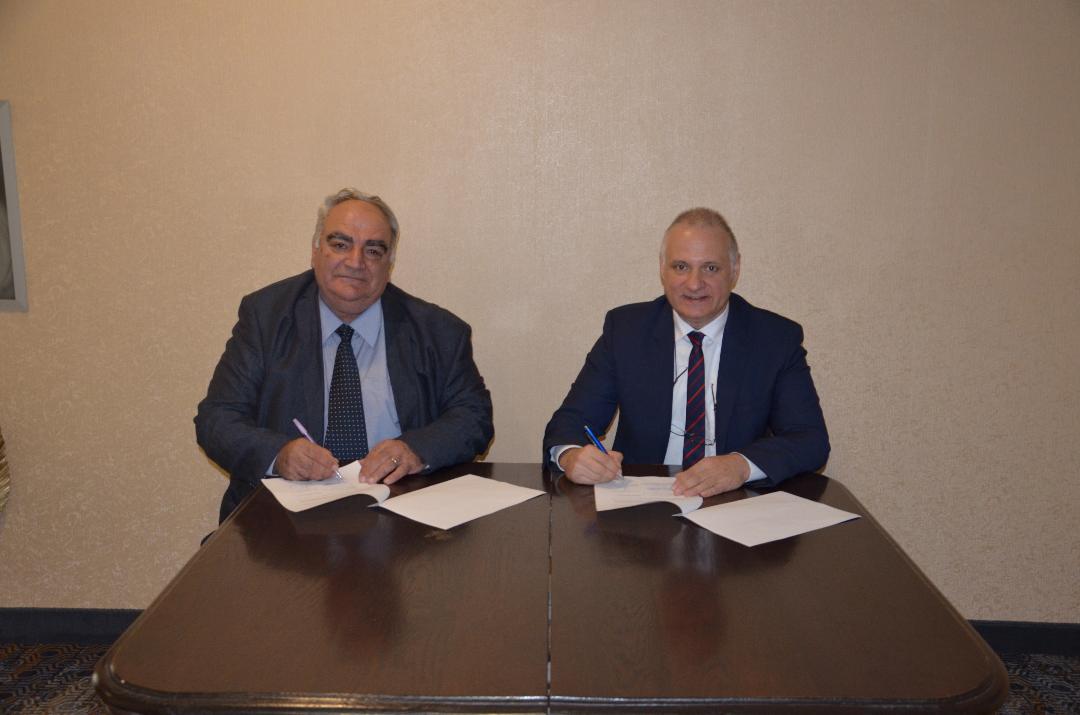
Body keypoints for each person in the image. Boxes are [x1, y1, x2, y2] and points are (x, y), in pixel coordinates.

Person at [196, 189, 494, 522]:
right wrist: (278, 454)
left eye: (373, 250)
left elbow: (473, 416)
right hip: (282, 520)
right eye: (340, 244)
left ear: (389, 264)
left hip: (401, 517)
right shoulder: (265, 317)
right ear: (315, 251)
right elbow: (216, 418)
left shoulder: (437, 331)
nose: (355, 262)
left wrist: (414, 449)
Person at [543, 207, 828, 497]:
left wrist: (741, 465)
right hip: (642, 506)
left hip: (735, 502)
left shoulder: (775, 339)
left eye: (710, 268)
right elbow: (570, 423)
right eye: (681, 267)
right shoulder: (626, 331)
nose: (694, 283)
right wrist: (571, 456)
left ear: (735, 269)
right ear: (662, 269)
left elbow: (810, 439)